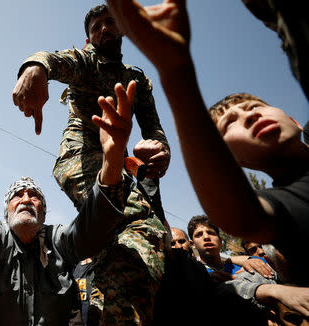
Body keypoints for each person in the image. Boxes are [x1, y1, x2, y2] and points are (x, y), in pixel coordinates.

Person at [105, 0, 309, 286]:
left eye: (254, 108)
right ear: (231, 160)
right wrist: (175, 70)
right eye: (230, 123)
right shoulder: (284, 207)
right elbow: (238, 215)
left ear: (294, 119)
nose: (248, 117)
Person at [0, 48, 134, 325]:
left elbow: (95, 225)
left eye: (34, 195)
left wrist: (112, 158)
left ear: (45, 213)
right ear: (6, 211)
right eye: (17, 195)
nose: (26, 198)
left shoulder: (59, 242)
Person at [13, 4, 170, 323]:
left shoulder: (135, 80)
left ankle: (106, 309)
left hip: (115, 162)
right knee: (142, 224)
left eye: (109, 23)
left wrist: (159, 147)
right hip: (79, 157)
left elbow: (153, 127)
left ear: (122, 29)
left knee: (114, 239)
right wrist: (35, 67)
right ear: (88, 38)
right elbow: (56, 61)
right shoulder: (87, 62)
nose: (103, 29)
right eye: (95, 26)